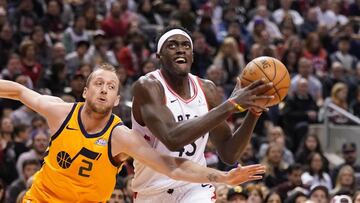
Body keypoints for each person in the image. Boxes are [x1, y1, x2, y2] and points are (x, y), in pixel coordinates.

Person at [0, 63, 265, 202]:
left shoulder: (121, 136)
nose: (104, 89)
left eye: (111, 86)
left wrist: (223, 178)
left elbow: (171, 166)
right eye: (98, 83)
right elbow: (20, 91)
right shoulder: (60, 112)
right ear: (85, 91)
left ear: (117, 100)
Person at [131, 26, 273, 202]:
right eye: (172, 45)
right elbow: (172, 138)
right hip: (152, 190)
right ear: (159, 55)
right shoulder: (148, 86)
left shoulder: (207, 89)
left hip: (195, 187)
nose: (180, 49)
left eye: (185, 45)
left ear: (192, 55)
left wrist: (254, 112)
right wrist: (231, 105)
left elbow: (229, 153)